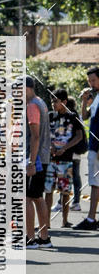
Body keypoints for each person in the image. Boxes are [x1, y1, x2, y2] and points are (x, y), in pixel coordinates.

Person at [44, 89, 83, 230]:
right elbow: (44, 134)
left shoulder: (73, 117)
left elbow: (79, 136)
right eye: (52, 101)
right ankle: (46, 222)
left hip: (66, 160)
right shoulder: (49, 116)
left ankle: (64, 221)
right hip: (50, 160)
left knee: (65, 192)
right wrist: (50, 147)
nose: (53, 104)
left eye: (56, 101)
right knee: (48, 191)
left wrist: (65, 148)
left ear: (64, 102)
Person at [25, 75, 52, 249]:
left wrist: (31, 162)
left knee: (26, 198)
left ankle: (30, 239)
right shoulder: (41, 102)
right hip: (43, 156)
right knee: (38, 197)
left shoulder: (32, 105)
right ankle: (44, 237)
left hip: (36, 158)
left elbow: (35, 136)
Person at [75, 67, 99, 230]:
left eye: (94, 80)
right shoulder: (96, 98)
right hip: (93, 146)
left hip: (97, 147)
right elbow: (84, 117)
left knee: (95, 182)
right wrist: (84, 100)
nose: (91, 84)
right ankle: (91, 218)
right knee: (94, 183)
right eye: (89, 81)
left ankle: (91, 219)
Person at [66, 97, 83, 211]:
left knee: (71, 177)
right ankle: (75, 201)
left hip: (73, 152)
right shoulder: (75, 115)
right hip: (76, 152)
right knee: (74, 176)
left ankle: (75, 201)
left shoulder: (72, 116)